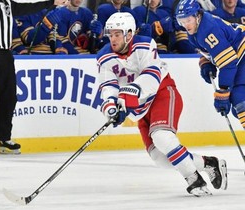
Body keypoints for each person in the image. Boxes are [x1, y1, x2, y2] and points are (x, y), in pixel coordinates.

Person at [97, 12, 228, 196]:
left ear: (129, 33)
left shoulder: (145, 45)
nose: (113, 38)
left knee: (162, 137)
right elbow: (108, 86)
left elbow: (151, 78)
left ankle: (193, 179)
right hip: (140, 110)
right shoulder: (104, 57)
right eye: (110, 34)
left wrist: (128, 95)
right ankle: (209, 163)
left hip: (162, 94)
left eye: (117, 34)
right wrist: (111, 108)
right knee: (160, 158)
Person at [0, 0, 68, 156]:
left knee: (9, 98)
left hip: (6, 55)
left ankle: (4, 139)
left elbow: (29, 5)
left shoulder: (8, 3)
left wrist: (51, 2)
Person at [175, 1, 245, 131]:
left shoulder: (208, 29)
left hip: (242, 55)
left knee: (240, 99)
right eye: (181, 21)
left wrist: (223, 91)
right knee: (238, 107)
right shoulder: (196, 30)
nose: (185, 25)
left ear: (197, 15)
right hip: (240, 58)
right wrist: (206, 62)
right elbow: (209, 50)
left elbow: (228, 63)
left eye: (188, 20)